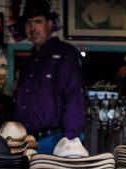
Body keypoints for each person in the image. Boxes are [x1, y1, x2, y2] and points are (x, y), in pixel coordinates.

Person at [14, 0, 86, 154]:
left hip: (55, 141)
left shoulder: (65, 54)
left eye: (38, 22)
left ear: (49, 24)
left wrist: (68, 143)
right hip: (28, 142)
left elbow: (75, 96)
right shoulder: (29, 61)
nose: (33, 28)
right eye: (28, 23)